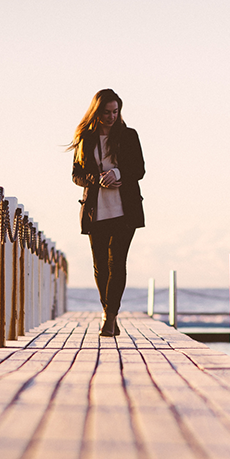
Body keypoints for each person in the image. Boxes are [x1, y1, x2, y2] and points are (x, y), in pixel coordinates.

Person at [69, 89, 145, 337]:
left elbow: (139, 169)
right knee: (100, 266)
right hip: (96, 211)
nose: (112, 117)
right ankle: (107, 312)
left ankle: (110, 318)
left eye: (116, 111)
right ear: (97, 112)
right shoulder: (86, 139)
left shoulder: (129, 135)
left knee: (117, 263)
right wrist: (96, 179)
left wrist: (118, 173)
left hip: (125, 211)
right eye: (106, 112)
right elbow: (76, 176)